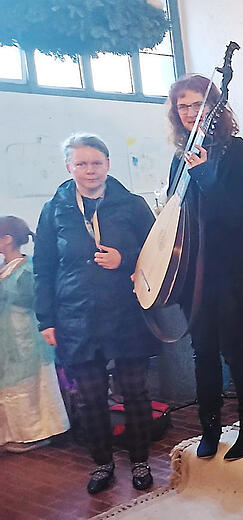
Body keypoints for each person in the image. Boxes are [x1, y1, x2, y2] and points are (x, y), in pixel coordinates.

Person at [33, 134, 159, 494]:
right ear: (68, 167)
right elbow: (43, 266)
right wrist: (47, 320)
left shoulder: (132, 205)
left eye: (97, 163)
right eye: (81, 163)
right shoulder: (53, 210)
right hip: (75, 317)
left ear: (108, 164)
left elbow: (160, 255)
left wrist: (125, 260)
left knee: (135, 392)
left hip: (125, 312)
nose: (90, 170)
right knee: (89, 398)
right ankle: (102, 463)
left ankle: (140, 460)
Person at [166, 74, 243, 461]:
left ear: (213, 109)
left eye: (198, 104)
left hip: (234, 268)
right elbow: (176, 211)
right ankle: (209, 427)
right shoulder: (179, 156)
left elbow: (235, 212)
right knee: (202, 349)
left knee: (234, 347)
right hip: (194, 271)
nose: (190, 112)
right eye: (183, 106)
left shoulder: (236, 151)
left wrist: (206, 172)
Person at [0, 216, 70, 453]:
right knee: (10, 389)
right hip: (7, 342)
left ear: (7, 239)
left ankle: (37, 434)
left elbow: (38, 303)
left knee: (31, 388)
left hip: (27, 340)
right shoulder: (4, 270)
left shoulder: (27, 270)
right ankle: (15, 433)